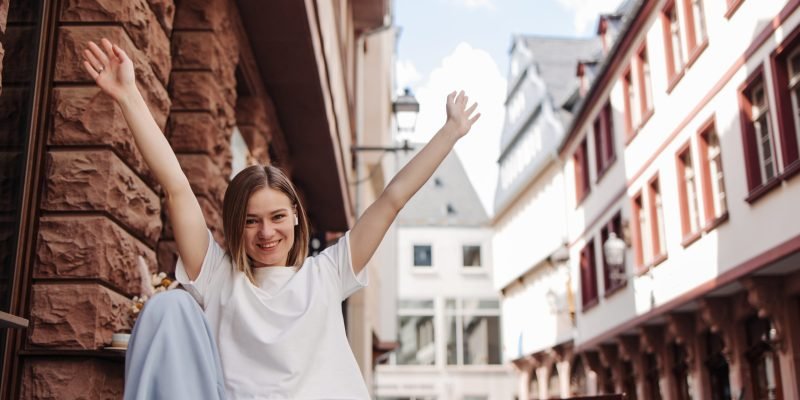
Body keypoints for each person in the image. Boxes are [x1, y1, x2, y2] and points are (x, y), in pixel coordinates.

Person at [82, 38, 480, 399]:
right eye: (251, 221)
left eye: (276, 217)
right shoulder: (219, 277)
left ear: (295, 218)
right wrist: (128, 95)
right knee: (169, 309)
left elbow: (392, 200)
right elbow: (177, 187)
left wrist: (450, 133)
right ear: (236, 225)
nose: (266, 232)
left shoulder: (326, 275)